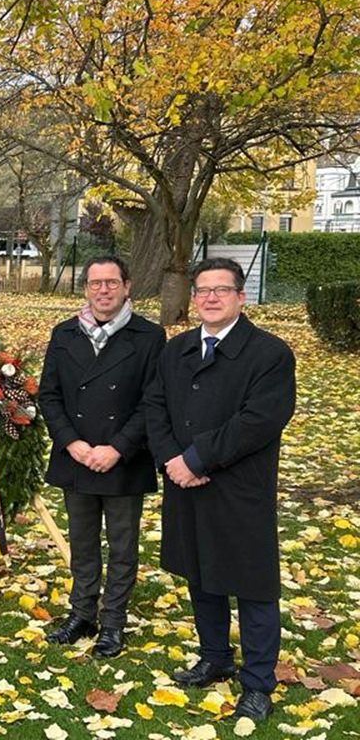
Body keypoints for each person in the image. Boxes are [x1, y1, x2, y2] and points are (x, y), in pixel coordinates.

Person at [144, 257, 296, 723]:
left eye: (221, 290)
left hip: (239, 488)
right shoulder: (178, 349)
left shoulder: (269, 353)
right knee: (200, 574)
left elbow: (259, 421)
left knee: (252, 586)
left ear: (240, 297)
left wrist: (197, 459)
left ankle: (257, 683)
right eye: (202, 291)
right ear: (194, 299)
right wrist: (172, 459)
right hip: (184, 484)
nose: (210, 298)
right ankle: (214, 657)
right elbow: (155, 404)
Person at [37, 256, 165, 659]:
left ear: (127, 286)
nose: (103, 290)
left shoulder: (149, 336)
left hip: (122, 456)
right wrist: (71, 442)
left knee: (123, 546)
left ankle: (113, 621)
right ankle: (82, 613)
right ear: (86, 288)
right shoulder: (64, 333)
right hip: (77, 454)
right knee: (83, 541)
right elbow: (49, 395)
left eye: (111, 282)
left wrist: (118, 448)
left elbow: (153, 401)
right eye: (95, 283)